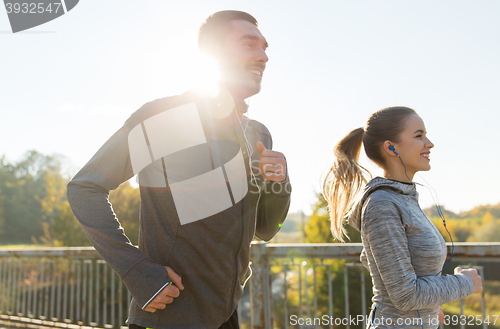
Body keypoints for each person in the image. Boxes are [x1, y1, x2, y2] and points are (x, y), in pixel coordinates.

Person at [67, 10, 291, 329]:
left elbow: (266, 229)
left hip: (226, 315)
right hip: (167, 314)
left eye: (265, 47)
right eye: (249, 44)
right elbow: (85, 188)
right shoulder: (168, 117)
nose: (264, 56)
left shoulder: (258, 134)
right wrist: (136, 270)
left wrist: (280, 182)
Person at [322, 106, 482, 328]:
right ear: (391, 147)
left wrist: (432, 301)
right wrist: (464, 282)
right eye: (419, 136)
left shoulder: (403, 199)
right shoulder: (382, 204)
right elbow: (405, 295)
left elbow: (376, 261)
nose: (430, 143)